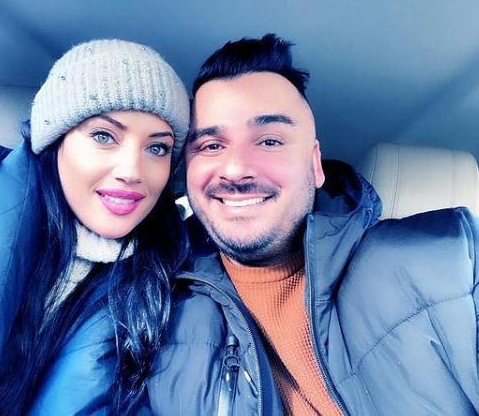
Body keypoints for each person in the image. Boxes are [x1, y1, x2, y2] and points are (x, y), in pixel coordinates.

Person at [144, 34, 479, 415]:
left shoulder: (455, 262)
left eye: (270, 141)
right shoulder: (153, 313)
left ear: (316, 164)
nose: (235, 169)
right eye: (211, 146)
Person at [0, 39, 189, 415]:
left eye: (157, 148)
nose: (132, 171)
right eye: (103, 136)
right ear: (55, 135)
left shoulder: (170, 275)